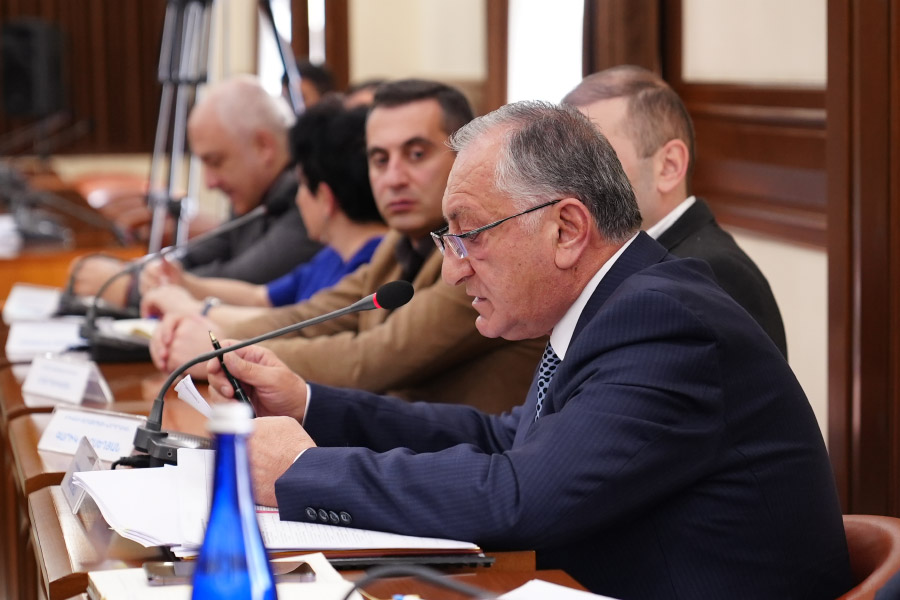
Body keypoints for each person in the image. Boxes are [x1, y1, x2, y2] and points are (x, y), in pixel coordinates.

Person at [207, 102, 851, 599]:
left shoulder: (664, 321)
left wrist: (302, 471)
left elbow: (520, 497)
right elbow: (504, 442)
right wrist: (308, 404)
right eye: (447, 239)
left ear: (567, 229)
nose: (453, 270)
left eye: (469, 235)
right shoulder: (617, 305)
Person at [150, 80, 545, 412]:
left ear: (463, 158)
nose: (394, 178)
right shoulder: (397, 245)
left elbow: (369, 360)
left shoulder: (483, 257)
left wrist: (224, 354)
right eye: (379, 159)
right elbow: (313, 317)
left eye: (416, 154)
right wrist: (214, 335)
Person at [562, 65, 788, 357]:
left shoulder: (716, 273)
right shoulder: (615, 259)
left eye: (596, 160)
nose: (569, 183)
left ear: (668, 167)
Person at [70, 75, 321, 308]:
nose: (209, 182)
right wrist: (136, 272)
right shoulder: (257, 194)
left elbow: (243, 282)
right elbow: (194, 257)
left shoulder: (311, 197)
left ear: (264, 146)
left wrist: (129, 289)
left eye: (216, 162)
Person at [140, 101, 386, 323]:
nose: (297, 198)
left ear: (325, 198)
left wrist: (191, 308)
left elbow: (295, 323)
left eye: (301, 184)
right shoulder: (332, 256)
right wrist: (184, 283)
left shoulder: (372, 263)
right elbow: (260, 297)